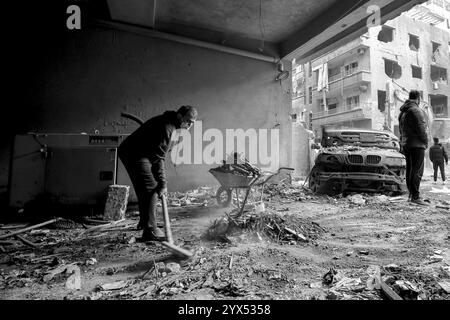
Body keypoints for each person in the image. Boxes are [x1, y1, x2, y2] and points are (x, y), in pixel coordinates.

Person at [118, 106, 198, 241]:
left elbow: (158, 153)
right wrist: (163, 184)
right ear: (179, 117)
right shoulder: (167, 127)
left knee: (145, 188)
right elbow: (159, 159)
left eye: (192, 123)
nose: (189, 125)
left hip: (138, 152)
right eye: (188, 121)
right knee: (152, 188)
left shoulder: (169, 123)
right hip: (135, 154)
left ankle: (145, 222)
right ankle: (150, 231)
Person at [398, 90, 428, 205]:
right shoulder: (416, 110)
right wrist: (425, 142)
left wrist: (402, 142)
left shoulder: (403, 112)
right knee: (417, 171)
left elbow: (401, 130)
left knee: (410, 170)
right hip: (417, 145)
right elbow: (422, 129)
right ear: (418, 99)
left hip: (406, 144)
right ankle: (415, 197)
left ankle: (411, 195)